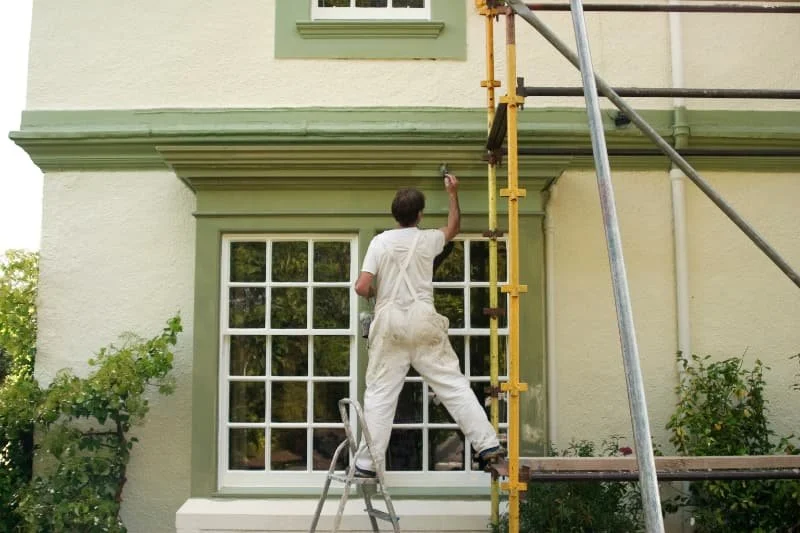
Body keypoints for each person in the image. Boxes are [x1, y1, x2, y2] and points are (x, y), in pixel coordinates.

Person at [352, 173, 505, 478]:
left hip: (389, 320)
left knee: (381, 393)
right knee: (452, 384)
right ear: (419, 214)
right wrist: (452, 193)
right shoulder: (427, 239)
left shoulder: (380, 243)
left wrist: (375, 293)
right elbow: (453, 228)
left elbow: (361, 286)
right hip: (423, 318)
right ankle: (487, 445)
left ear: (395, 215)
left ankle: (368, 464)